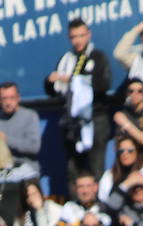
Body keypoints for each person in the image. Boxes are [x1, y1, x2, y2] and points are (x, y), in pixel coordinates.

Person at [47, 18, 114, 182]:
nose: (78, 40)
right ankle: (76, 205)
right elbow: (53, 90)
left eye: (81, 35)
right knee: (73, 168)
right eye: (73, 37)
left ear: (88, 35)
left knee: (95, 166)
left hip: (95, 119)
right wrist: (50, 81)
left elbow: (103, 84)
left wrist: (73, 80)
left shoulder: (97, 56)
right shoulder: (66, 60)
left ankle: (97, 205)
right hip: (72, 121)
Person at [0, 81, 42, 191]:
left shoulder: (30, 116)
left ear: (18, 98)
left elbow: (34, 147)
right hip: (3, 178)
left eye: (12, 97)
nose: (8, 102)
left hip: (27, 176)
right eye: (4, 98)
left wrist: (6, 140)